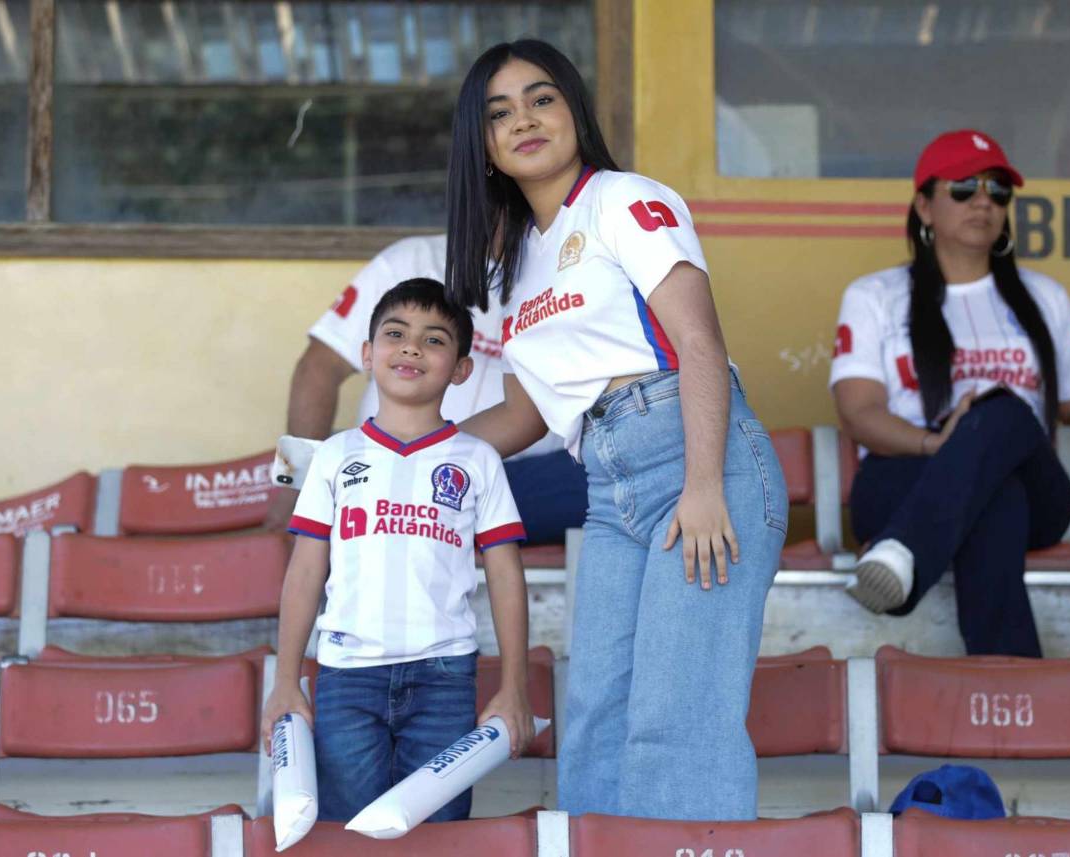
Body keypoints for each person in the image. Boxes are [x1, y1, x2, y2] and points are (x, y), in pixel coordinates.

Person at [443, 39, 788, 820]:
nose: (524, 120)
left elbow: (700, 343)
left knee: (677, 713)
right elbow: (533, 407)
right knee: (595, 713)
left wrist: (703, 486)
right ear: (485, 148)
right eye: (499, 113)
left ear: (574, 109)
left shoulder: (625, 199)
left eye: (542, 99)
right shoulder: (517, 263)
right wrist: (417, 453)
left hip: (698, 459)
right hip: (607, 485)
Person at [830, 129, 1070, 657]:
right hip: (904, 478)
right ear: (924, 206)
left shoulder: (1043, 296)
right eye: (965, 187)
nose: (983, 202)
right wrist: (938, 443)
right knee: (998, 498)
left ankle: (904, 556)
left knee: (1004, 411)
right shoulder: (875, 296)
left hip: (1029, 490)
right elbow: (859, 413)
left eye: (998, 191)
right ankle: (1016, 688)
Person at [260, 279, 535, 822]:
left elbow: (506, 577)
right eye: (395, 334)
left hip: (445, 678)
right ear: (367, 354)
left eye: (434, 340)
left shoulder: (478, 460)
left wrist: (514, 687)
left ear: (460, 368)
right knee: (349, 827)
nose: (411, 347)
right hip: (347, 676)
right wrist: (286, 681)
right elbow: (305, 571)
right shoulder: (335, 457)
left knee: (437, 829)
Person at [262, 233, 587, 545]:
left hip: (529, 483)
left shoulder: (578, 277)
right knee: (350, 479)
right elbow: (318, 368)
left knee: (605, 480)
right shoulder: (412, 260)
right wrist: (294, 483)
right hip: (394, 469)